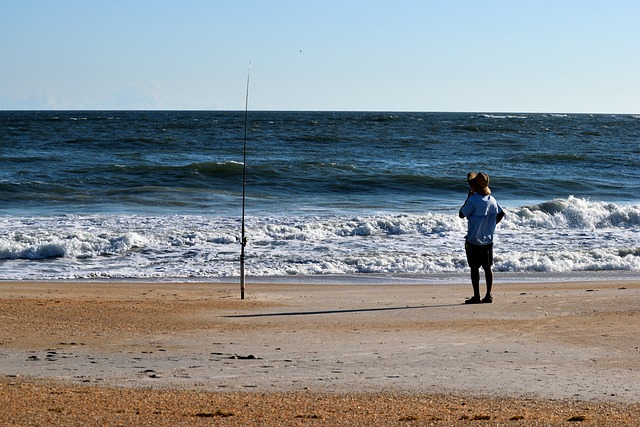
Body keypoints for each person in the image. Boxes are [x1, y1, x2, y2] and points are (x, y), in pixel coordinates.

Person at [459, 172, 505, 304]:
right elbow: (501, 213)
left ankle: (477, 296)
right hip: (488, 239)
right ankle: (488, 295)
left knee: (474, 269)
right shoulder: (492, 200)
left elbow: (461, 214)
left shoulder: (473, 200)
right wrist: (491, 225)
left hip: (474, 239)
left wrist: (467, 199)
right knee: (488, 267)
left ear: (475, 187)